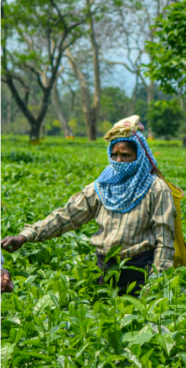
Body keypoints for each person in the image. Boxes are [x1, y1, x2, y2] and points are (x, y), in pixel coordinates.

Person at [1, 116, 176, 295]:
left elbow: (165, 241)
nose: (119, 160)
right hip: (104, 270)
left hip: (139, 272)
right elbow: (67, 216)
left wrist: (155, 283)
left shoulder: (155, 188)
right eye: (114, 154)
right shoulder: (102, 185)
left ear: (139, 155)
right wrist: (25, 236)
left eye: (126, 155)